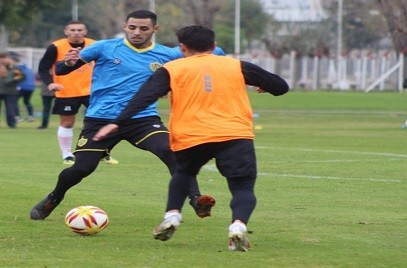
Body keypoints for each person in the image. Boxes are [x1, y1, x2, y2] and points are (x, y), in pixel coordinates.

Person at [93, 25, 289, 251]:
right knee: (243, 187)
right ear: (214, 46)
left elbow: (143, 98)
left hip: (191, 135)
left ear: (183, 47)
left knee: (184, 173)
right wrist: (265, 85)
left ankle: (172, 217)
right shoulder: (236, 65)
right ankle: (237, 227)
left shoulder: (172, 68)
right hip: (234, 134)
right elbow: (281, 87)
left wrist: (117, 122)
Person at [29, 10, 215, 221]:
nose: (137, 32)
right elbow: (62, 70)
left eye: (144, 28)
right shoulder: (103, 47)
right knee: (82, 168)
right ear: (125, 26)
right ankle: (55, 197)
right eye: (132, 27)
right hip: (101, 119)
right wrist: (69, 64)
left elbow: (193, 72)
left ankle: (197, 200)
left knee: (171, 150)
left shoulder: (169, 55)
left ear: (155, 29)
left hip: (142, 119)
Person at [37, 20, 118, 165]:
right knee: (67, 123)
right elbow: (43, 68)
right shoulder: (56, 47)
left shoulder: (95, 45)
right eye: (73, 30)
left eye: (80, 30)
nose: (76, 33)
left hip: (93, 91)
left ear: (85, 32)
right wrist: (50, 83)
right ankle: (67, 154)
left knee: (104, 121)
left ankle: (104, 152)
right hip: (67, 90)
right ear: (66, 31)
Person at [12, 52, 36, 122]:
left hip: (21, 87)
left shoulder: (16, 69)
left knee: (14, 101)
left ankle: (17, 117)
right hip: (31, 87)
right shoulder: (28, 68)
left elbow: (17, 78)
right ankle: (30, 116)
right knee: (27, 101)